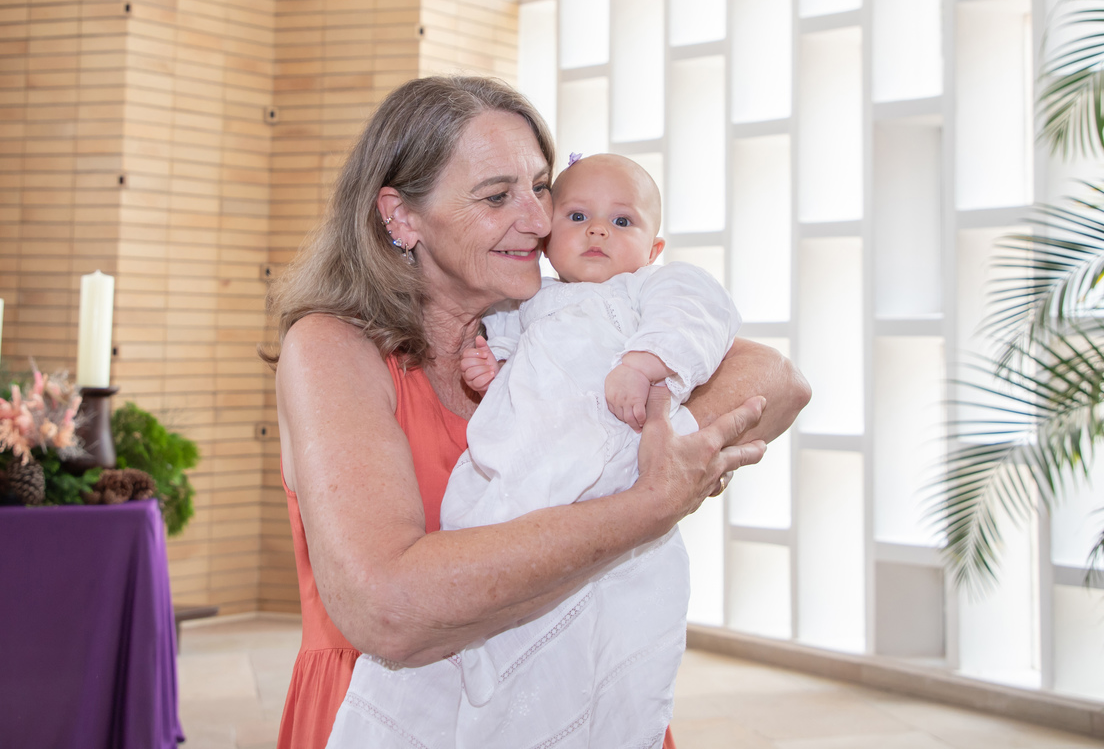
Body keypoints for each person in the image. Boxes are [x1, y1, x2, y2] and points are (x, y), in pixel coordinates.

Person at [265, 76, 811, 749]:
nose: (539, 219)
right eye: (498, 196)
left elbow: (778, 379)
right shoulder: (331, 348)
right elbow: (389, 609)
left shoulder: (560, 325)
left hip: (582, 694)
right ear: (401, 216)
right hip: (394, 711)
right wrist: (649, 500)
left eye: (542, 187)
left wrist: (656, 441)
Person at [327, 152, 743, 748]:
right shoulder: (526, 305)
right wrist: (493, 372)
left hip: (605, 480)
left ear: (654, 248)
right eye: (577, 216)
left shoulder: (649, 290)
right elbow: (525, 383)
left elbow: (701, 316)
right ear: (549, 241)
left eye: (622, 221)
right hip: (521, 486)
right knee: (480, 561)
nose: (598, 231)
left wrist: (645, 363)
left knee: (611, 640)